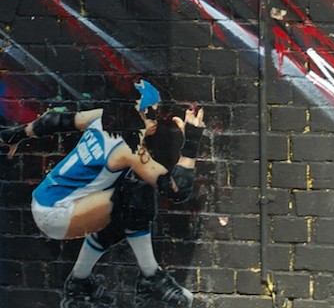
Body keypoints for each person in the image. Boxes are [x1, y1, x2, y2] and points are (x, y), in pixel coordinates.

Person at [0, 79, 204, 308]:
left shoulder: (100, 117)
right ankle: (151, 277)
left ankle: (79, 282)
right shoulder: (129, 151)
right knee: (136, 196)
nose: (156, 121)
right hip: (57, 214)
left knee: (122, 213)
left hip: (46, 200)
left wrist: (14, 135)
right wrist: (191, 142)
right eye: (154, 113)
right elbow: (176, 190)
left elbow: (54, 120)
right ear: (140, 113)